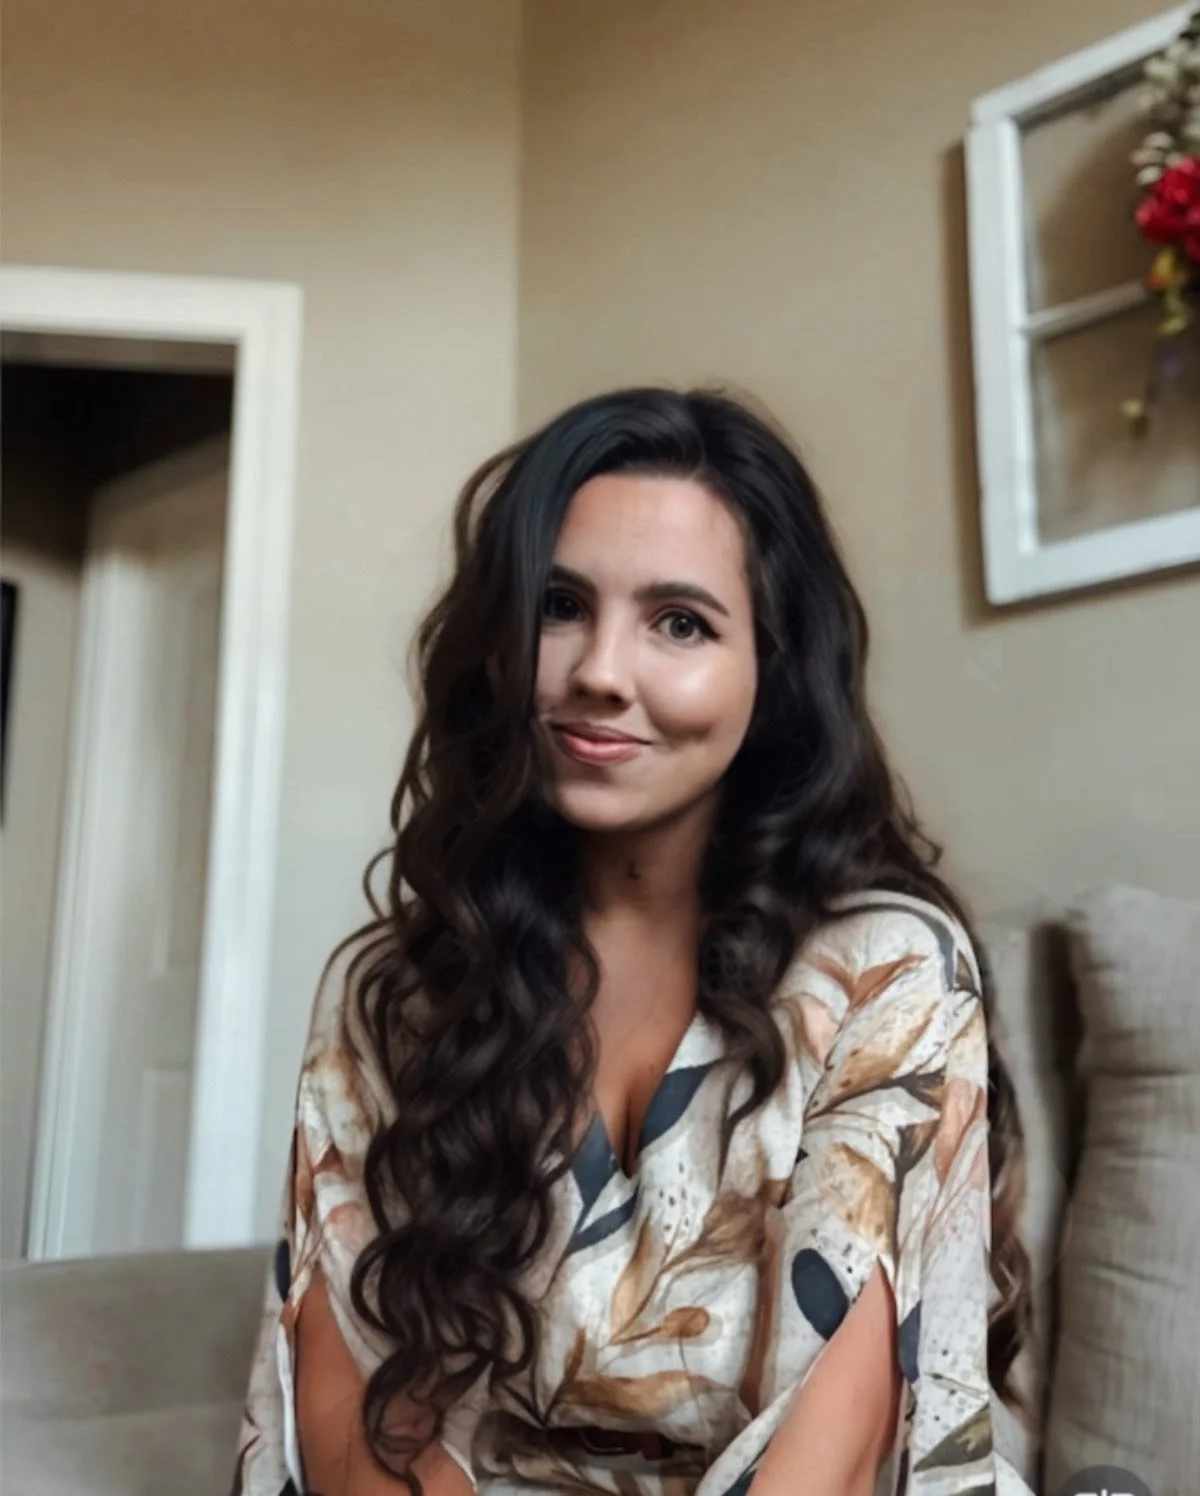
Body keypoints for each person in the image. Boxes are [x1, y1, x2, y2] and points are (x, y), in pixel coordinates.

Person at [233, 388, 1033, 1496]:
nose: (600, 670)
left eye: (681, 622)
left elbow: (842, 1444)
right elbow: (351, 1403)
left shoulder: (886, 968)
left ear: (773, 666)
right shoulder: (397, 991)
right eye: (559, 604)